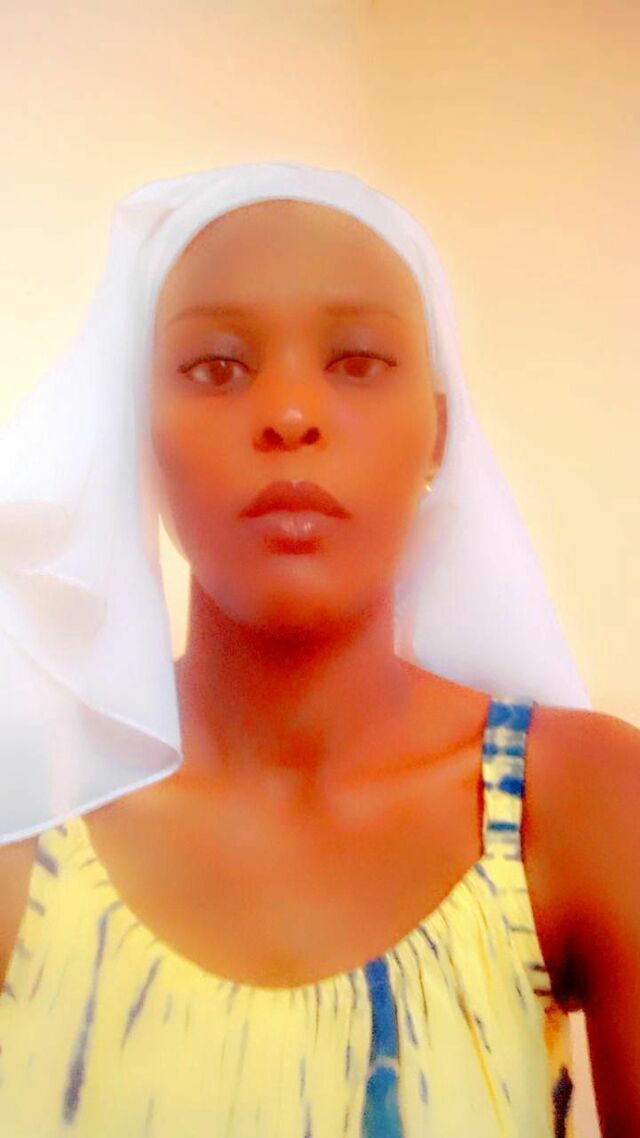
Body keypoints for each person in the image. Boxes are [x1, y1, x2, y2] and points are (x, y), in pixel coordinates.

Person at [0, 162, 638, 1137]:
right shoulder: (25, 820)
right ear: (135, 429)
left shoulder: (586, 803)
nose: (290, 413)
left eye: (358, 361)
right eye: (216, 366)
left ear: (439, 431)